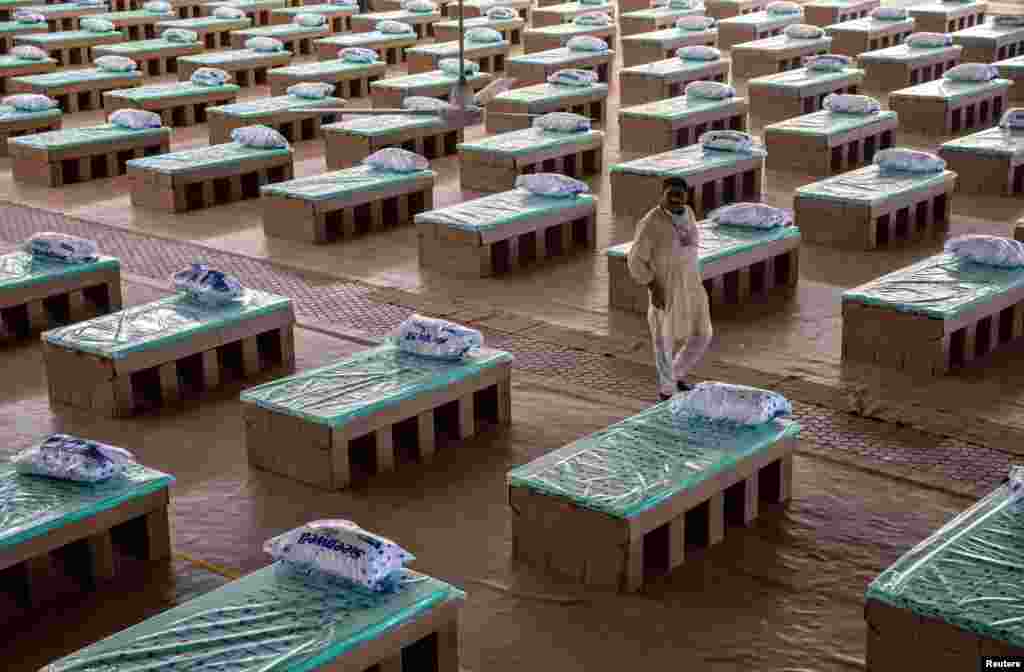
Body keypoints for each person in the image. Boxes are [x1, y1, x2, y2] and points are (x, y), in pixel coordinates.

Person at [627, 176, 713, 401]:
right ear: (662, 195)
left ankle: (677, 373)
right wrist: (653, 286)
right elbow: (635, 261)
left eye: (680, 194)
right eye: (670, 194)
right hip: (665, 287)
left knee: (703, 334)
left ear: (686, 196)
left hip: (692, 284)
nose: (675, 198)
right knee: (663, 340)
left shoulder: (689, 213)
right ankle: (667, 390)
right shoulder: (650, 222)